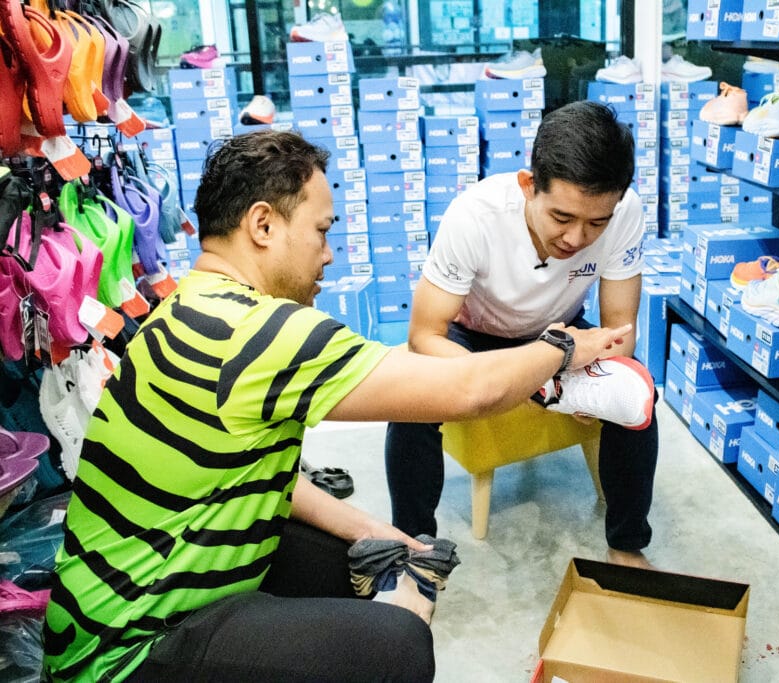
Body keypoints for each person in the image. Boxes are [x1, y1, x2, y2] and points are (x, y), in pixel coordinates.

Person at [41, 130, 635, 682]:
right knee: (398, 643)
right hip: (124, 651)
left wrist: (381, 531)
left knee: (370, 564)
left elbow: (254, 473)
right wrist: (564, 348)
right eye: (322, 231)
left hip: (129, 596)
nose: (328, 254)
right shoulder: (263, 333)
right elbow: (469, 392)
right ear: (263, 225)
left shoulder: (185, 304)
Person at [385, 101, 659, 568]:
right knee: (409, 402)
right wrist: (523, 376)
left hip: (563, 339)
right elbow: (424, 335)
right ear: (529, 185)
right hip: (471, 338)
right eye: (561, 217)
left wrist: (586, 374)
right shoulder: (474, 216)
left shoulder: (625, 211)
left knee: (637, 394)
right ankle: (411, 550)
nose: (576, 239)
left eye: (597, 223)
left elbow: (619, 330)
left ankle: (626, 546)